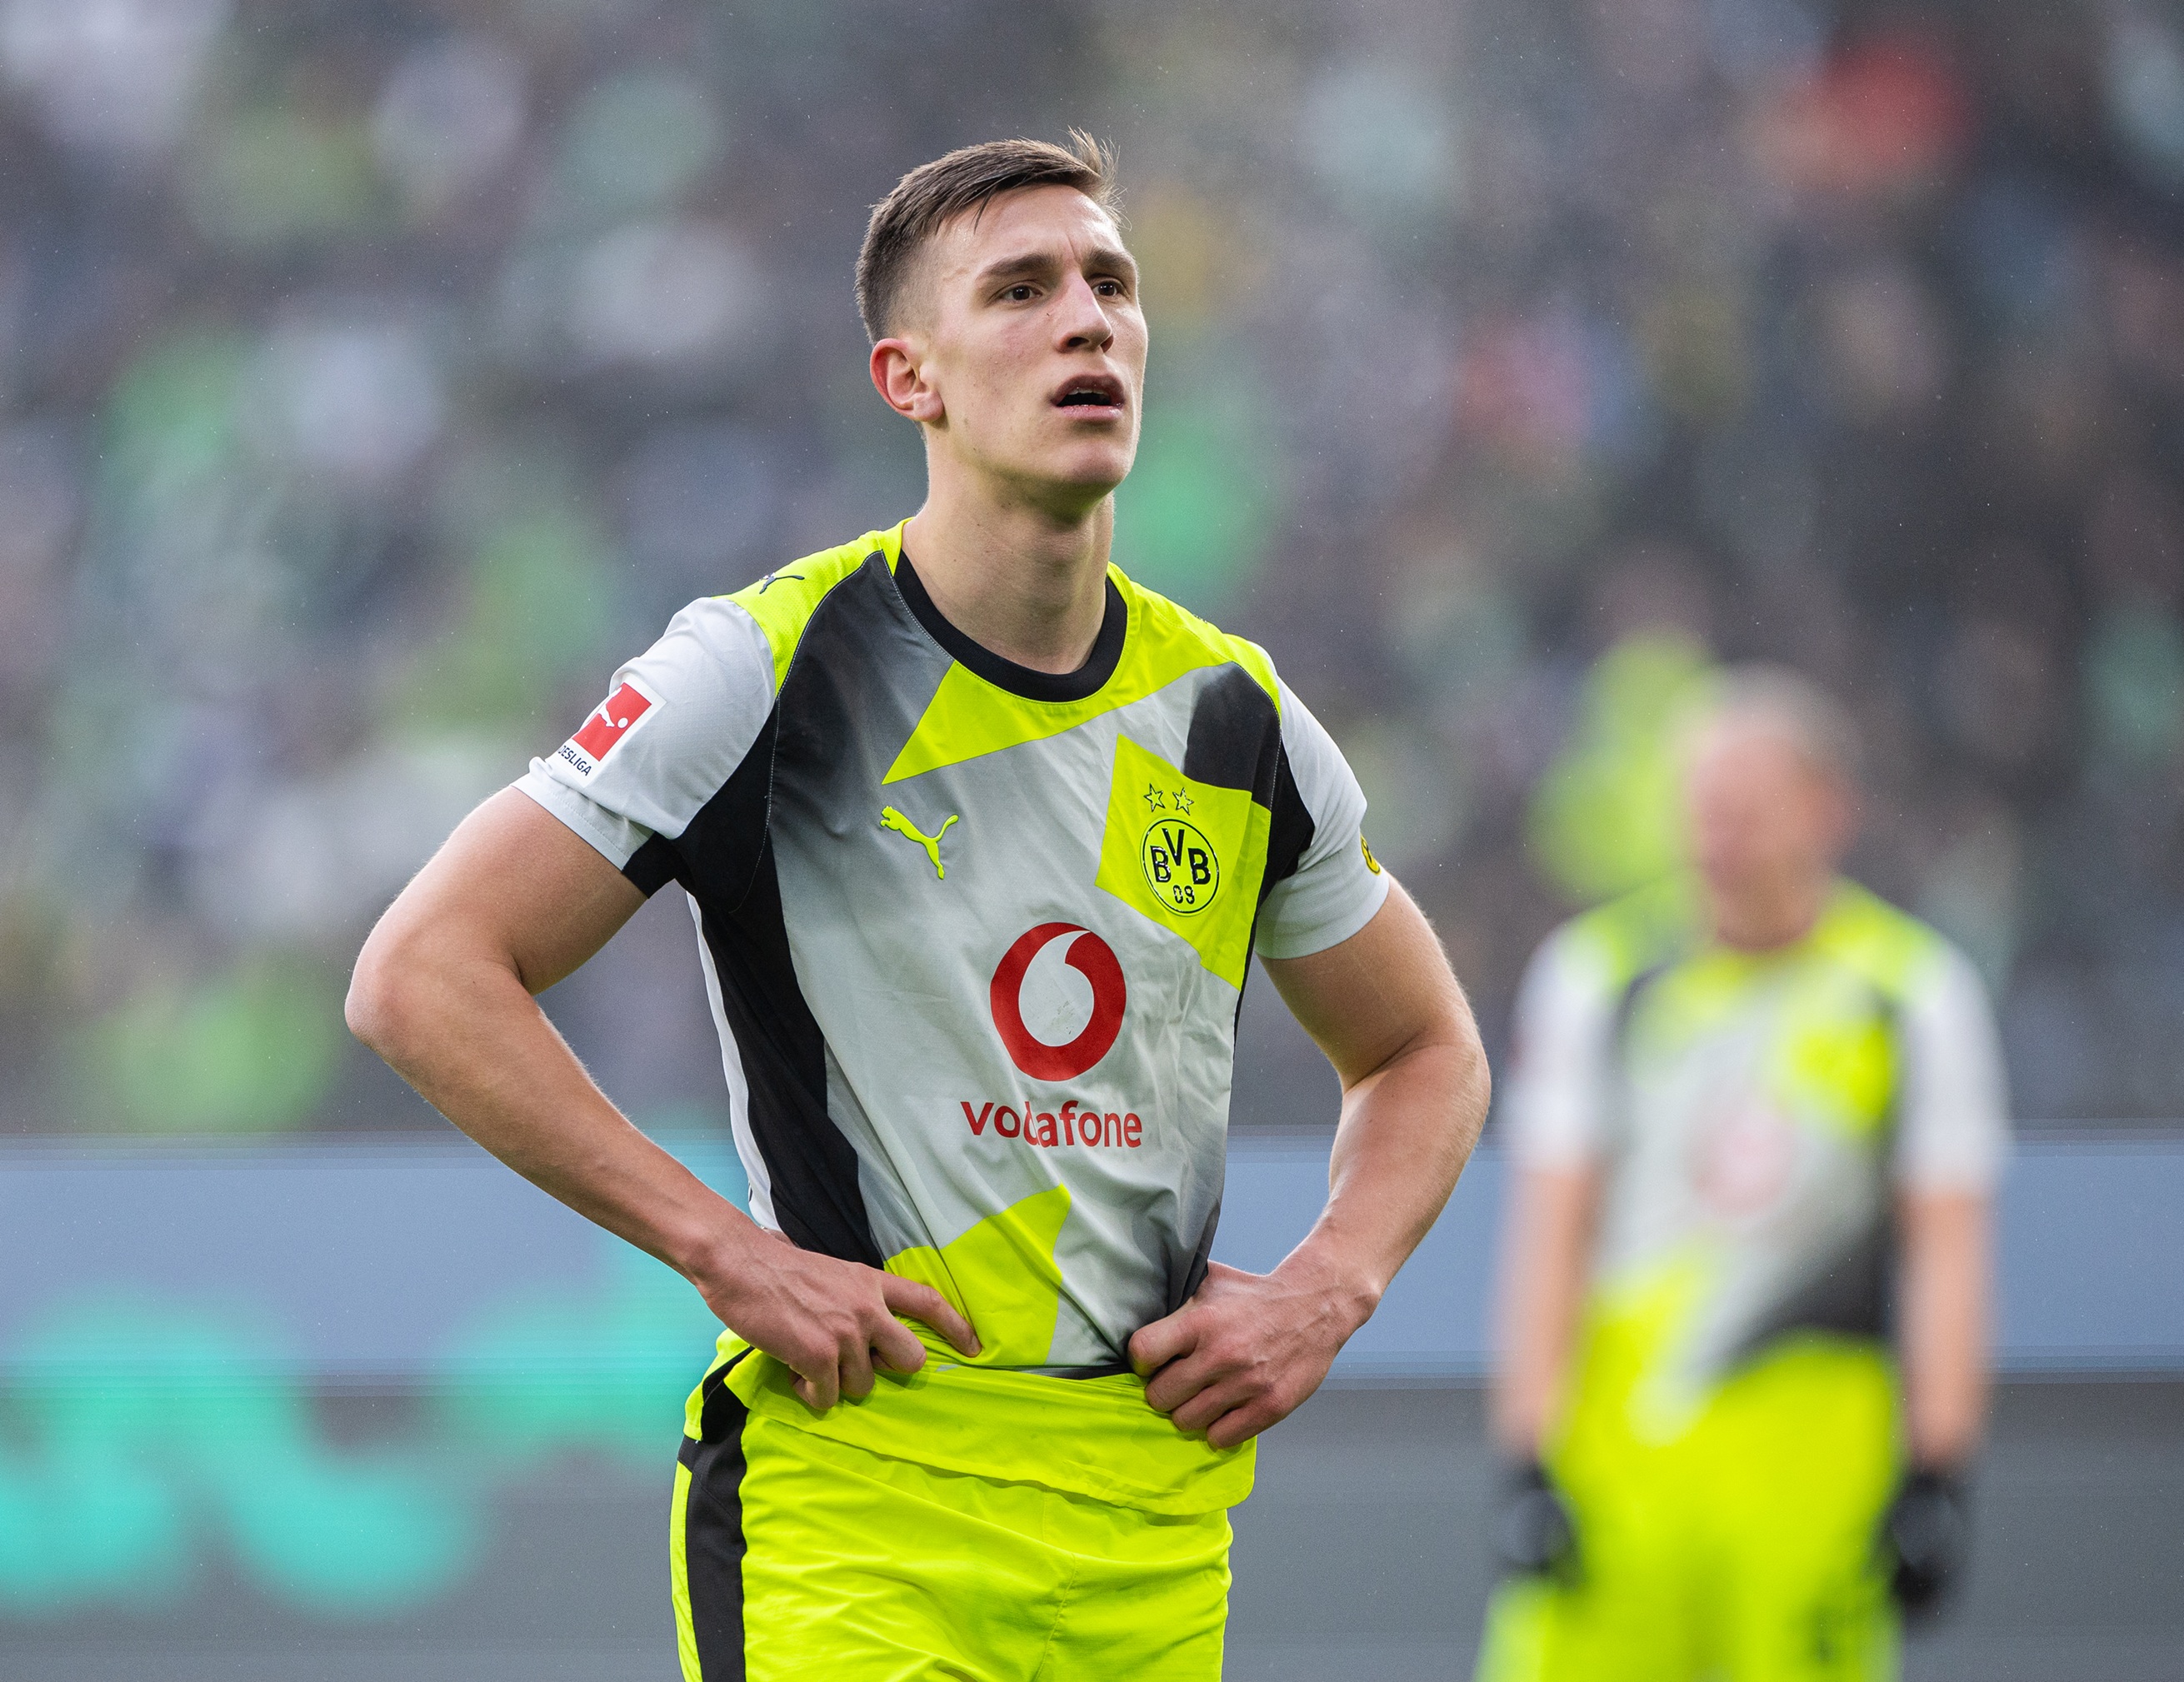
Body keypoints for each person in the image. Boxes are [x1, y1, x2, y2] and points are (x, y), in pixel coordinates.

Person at [347, 132, 1490, 1680]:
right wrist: (723, 1249)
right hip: (858, 1503)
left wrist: (1331, 1285)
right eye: (1020, 291)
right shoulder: (763, 666)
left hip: (1152, 1534)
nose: (1086, 320)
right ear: (910, 378)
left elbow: (1423, 1046)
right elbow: (422, 972)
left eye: (1111, 284)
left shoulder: (1239, 716)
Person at [1474, 667, 2009, 1682]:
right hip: (1617, 1476)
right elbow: (1548, 1233)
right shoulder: (1597, 978)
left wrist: (1938, 1470)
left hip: (1817, 1481)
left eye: (1747, 812)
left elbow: (1946, 1251)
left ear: (1827, 810)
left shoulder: (1910, 996)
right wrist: (1525, 1457)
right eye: (1702, 811)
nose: (1717, 840)